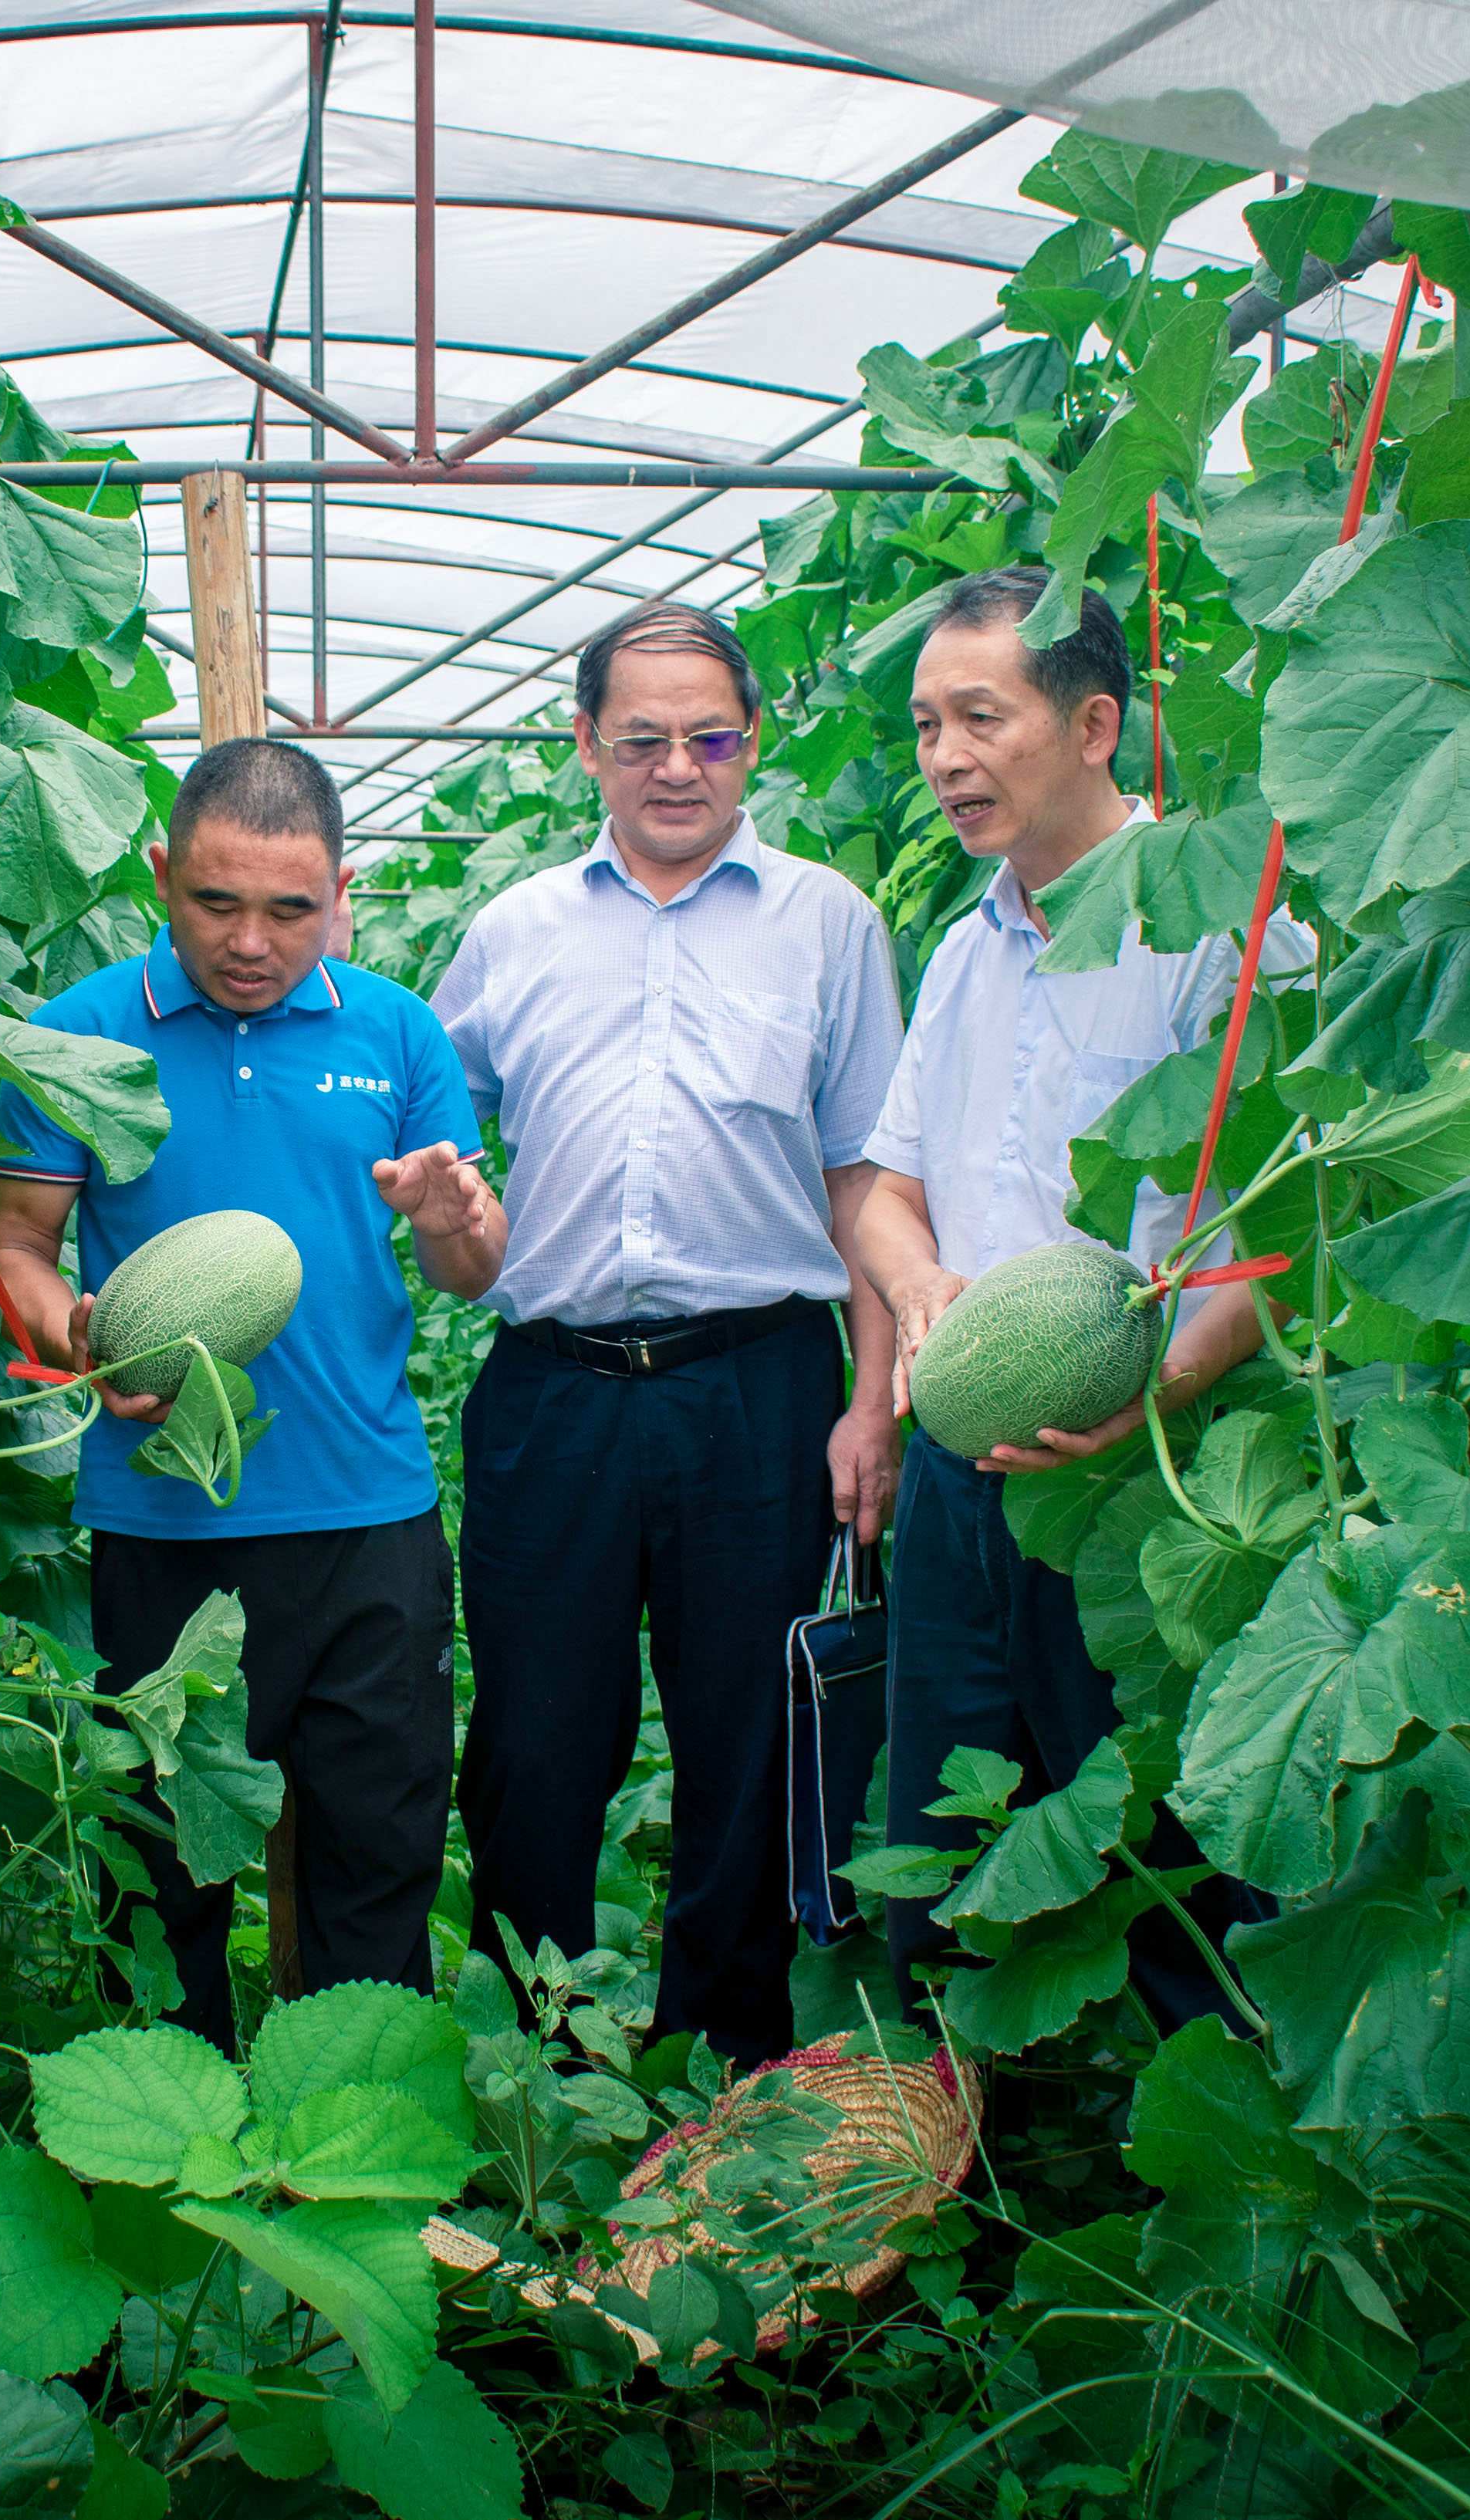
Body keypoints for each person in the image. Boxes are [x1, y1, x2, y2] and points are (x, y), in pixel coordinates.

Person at [431, 602, 904, 2063]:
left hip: (758, 1383)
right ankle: (539, 2080)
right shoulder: (511, 932)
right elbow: (440, 1161)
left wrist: (872, 1399)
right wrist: (444, 1208)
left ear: (751, 741)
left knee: (749, 1745)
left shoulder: (827, 921)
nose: (678, 768)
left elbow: (870, 1177)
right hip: (553, 1390)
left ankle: (729, 2078)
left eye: (709, 738)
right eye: (642, 739)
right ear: (586, 746)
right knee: (528, 1749)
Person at [0, 738, 507, 2052]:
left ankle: (354, 2177)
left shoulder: (397, 1031)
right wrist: (81, 1333)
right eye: (216, 903)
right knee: (158, 1890)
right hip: (164, 1527)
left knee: (374, 1873)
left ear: (343, 889)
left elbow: (467, 1267)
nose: (253, 941)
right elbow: (15, 1246)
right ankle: (168, 2210)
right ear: (161, 876)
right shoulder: (78, 1033)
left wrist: (453, 1217)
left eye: (290, 908)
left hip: (364, 1521)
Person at [852, 565, 1314, 2035]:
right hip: (954, 1475)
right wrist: (922, 1287)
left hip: (1141, 1490)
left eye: (978, 717)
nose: (942, 758)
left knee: (1176, 1875)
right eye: (927, 724)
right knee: (949, 1853)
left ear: (1094, 723)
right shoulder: (963, 947)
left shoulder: (1231, 936)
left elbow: (1276, 1234)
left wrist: (1147, 1397)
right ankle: (962, 2189)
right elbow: (878, 1184)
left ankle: (1221, 2180)